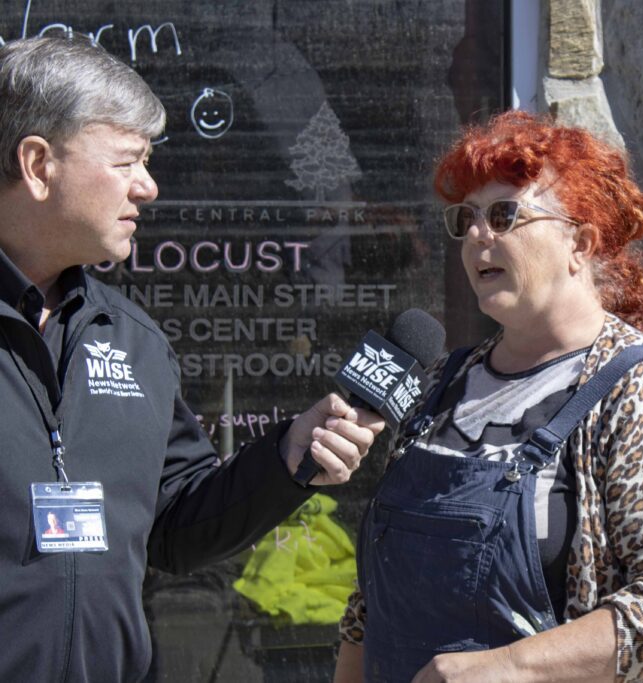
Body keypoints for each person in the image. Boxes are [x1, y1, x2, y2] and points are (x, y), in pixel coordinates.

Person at [0, 36, 383, 682]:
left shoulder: (132, 341)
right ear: (38, 165)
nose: (148, 187)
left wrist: (291, 453)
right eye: (127, 162)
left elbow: (177, 523)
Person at [334, 111, 643, 682]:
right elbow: (372, 600)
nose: (477, 236)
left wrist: (510, 668)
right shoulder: (441, 383)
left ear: (581, 242)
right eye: (466, 219)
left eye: (504, 215)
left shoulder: (640, 387)